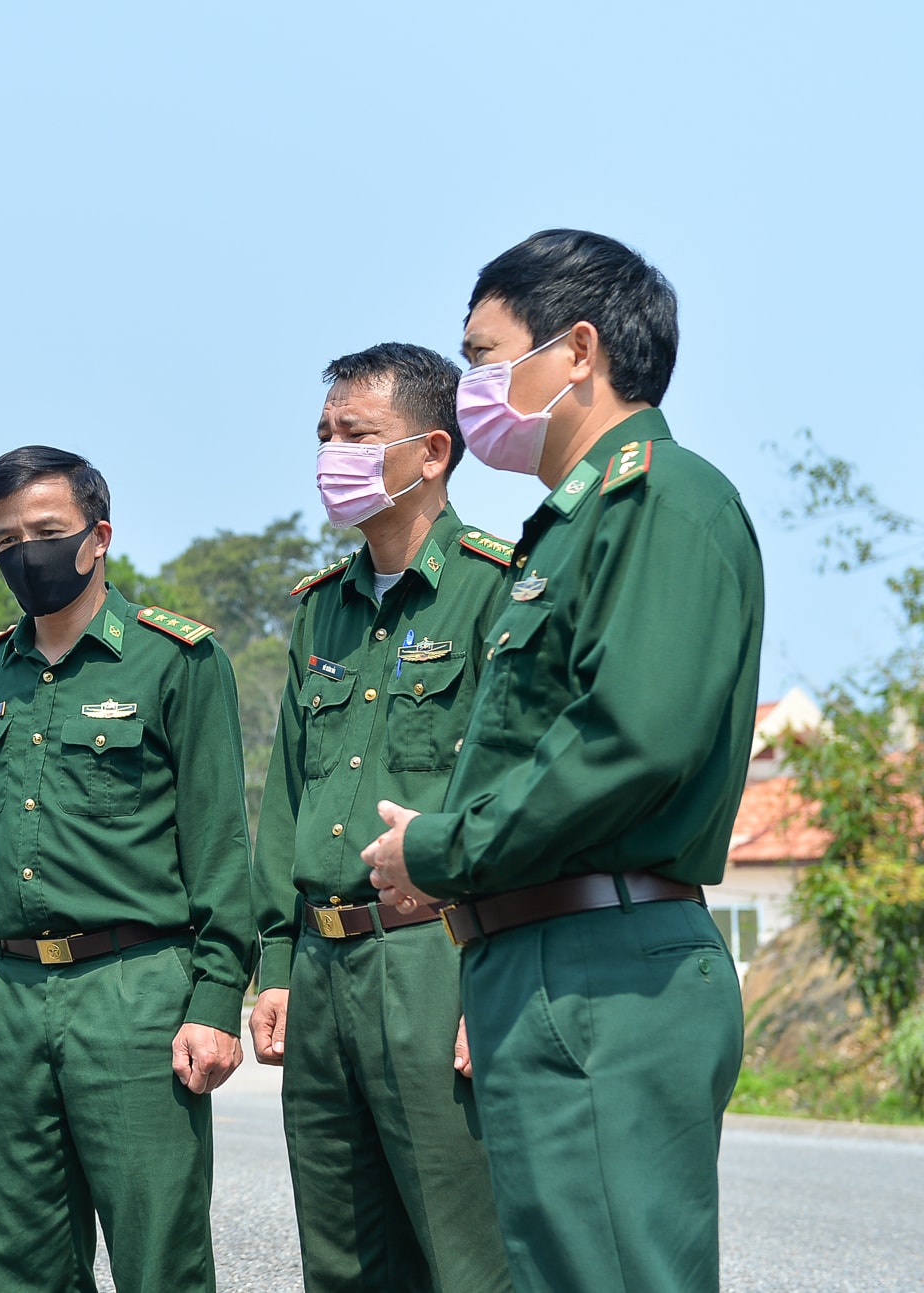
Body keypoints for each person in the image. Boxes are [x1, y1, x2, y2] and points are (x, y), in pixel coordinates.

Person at [359, 231, 763, 1293]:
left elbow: (631, 741)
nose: (468, 390)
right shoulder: (567, 528)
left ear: (575, 349)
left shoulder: (662, 499)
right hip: (545, 964)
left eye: (484, 357)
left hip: (605, 969)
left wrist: (439, 850)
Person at [0, 445, 257, 1293]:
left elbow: (222, 848)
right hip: (10, 1000)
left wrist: (214, 999)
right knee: (20, 1261)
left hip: (135, 994)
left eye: (47, 530)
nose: (26, 552)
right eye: (5, 539)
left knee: (158, 1256)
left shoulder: (176, 661)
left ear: (99, 535)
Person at [250, 343, 515, 1292]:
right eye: (323, 435)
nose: (332, 453)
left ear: (433, 449)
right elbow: (285, 797)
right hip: (321, 973)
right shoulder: (319, 612)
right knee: (342, 1258)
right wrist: (275, 962)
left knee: (466, 1252)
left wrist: (498, 982)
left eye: (355, 434)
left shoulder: (499, 588)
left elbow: (516, 790)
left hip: (438, 958)